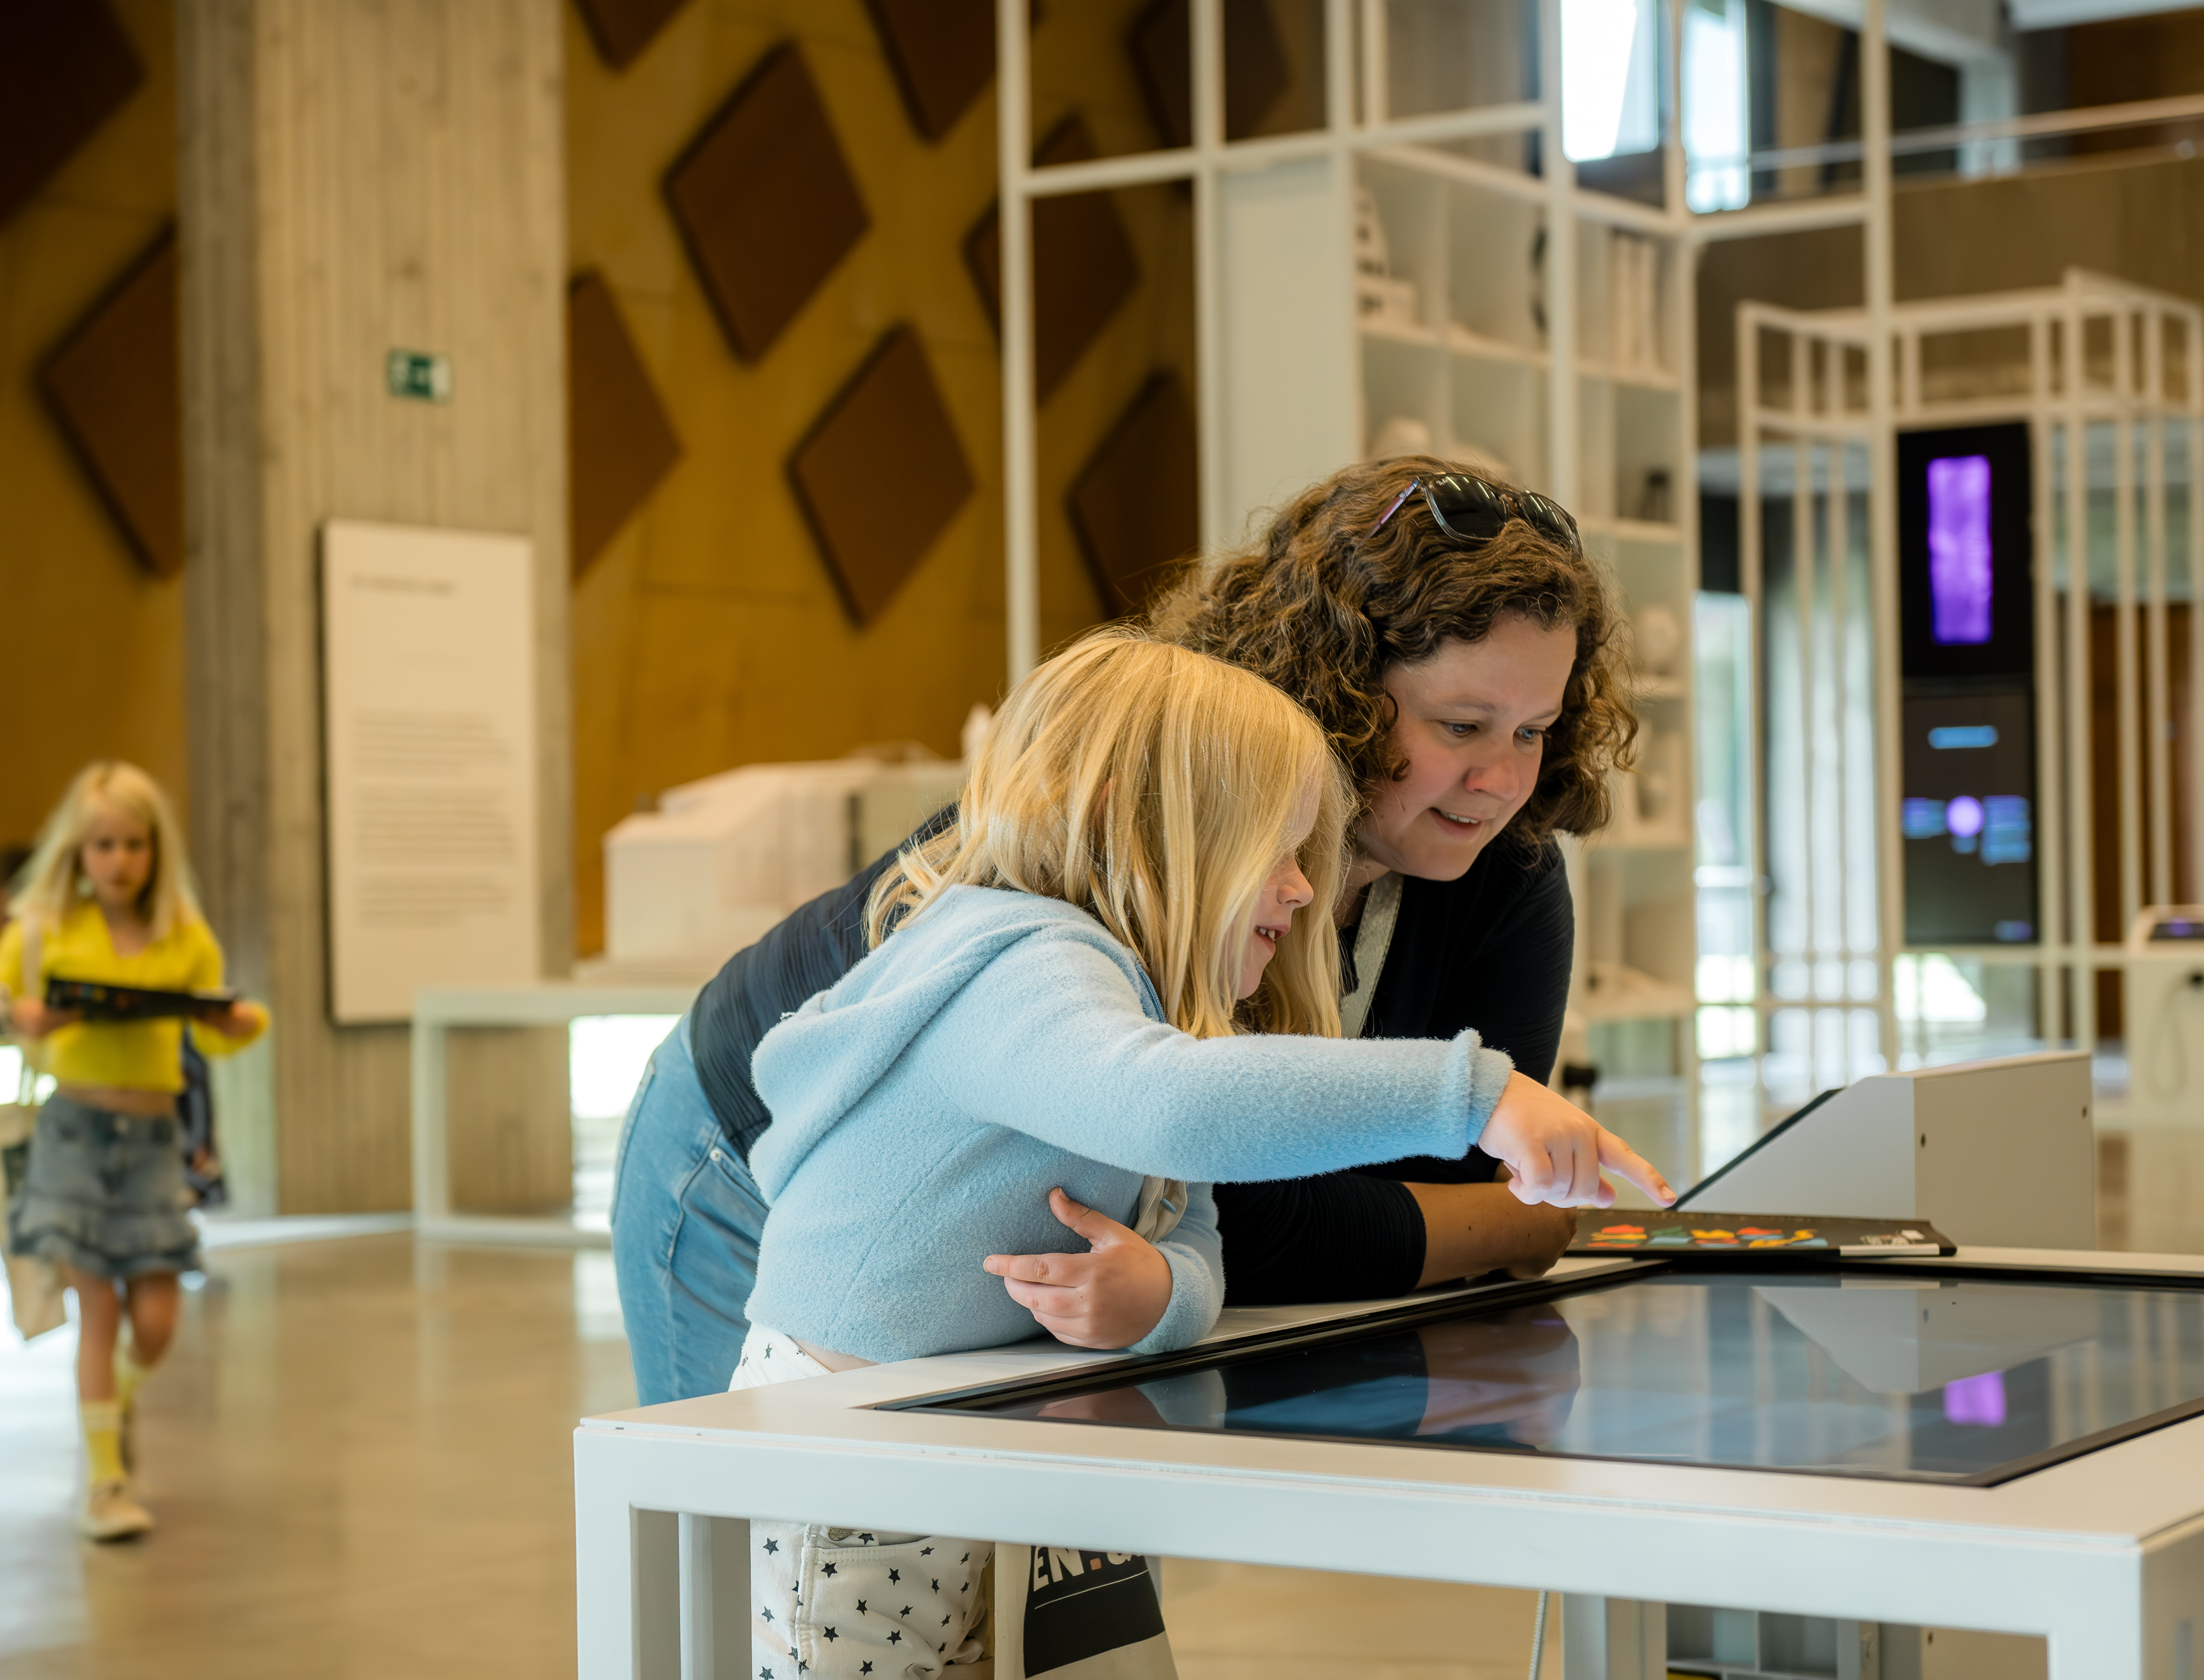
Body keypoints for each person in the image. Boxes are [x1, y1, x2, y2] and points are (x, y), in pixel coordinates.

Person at [731, 633, 1666, 1680]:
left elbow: (1201, 1244)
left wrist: (1149, 1295)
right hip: (838, 1467)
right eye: (1276, 854)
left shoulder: (1138, 1008)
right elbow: (1169, 1104)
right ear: (1136, 819)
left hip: (949, 1457)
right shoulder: (1019, 960)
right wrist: (1472, 1091)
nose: (1299, 892)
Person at [613, 459, 1640, 1405]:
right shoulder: (1090, 856)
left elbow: (1235, 1204)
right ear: (1340, 694)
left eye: (1534, 732)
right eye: (1459, 727)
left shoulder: (1501, 871)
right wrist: (1484, 1142)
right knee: (737, 1551)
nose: (1504, 782)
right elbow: (1207, 1152)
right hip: (752, 1160)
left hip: (1024, 1245)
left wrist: (1491, 1208)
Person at [0, 763, 269, 1542]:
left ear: (156, 850)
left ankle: (113, 1405)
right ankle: (105, 1482)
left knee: (155, 1321)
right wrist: (8, 1015)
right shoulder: (44, 928)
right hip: (73, 1137)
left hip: (156, 1142)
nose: (118, 860)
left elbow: (222, 1031)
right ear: (77, 853)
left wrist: (242, 1024)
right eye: (102, 845)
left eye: (133, 844)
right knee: (99, 1312)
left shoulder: (184, 935)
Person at [0, 838, 224, 1210]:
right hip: (72, 1112)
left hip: (146, 1115)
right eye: (105, 846)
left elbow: (196, 1055)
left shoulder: (166, 932)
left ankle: (198, 1162)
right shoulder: (31, 938)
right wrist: (14, 1018)